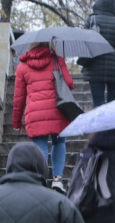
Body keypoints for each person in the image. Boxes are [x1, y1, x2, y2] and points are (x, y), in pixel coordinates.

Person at [11, 43, 73, 193]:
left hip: (35, 113)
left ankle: (41, 181)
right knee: (59, 142)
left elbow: (19, 98)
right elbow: (70, 84)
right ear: (48, 44)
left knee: (40, 147)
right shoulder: (57, 60)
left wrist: (16, 121)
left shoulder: (22, 67)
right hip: (57, 110)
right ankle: (57, 180)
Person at [80, 0, 115, 107]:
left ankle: (100, 125)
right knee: (112, 105)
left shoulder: (91, 19)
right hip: (114, 68)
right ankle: (111, 124)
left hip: (94, 65)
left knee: (98, 102)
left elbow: (83, 41)